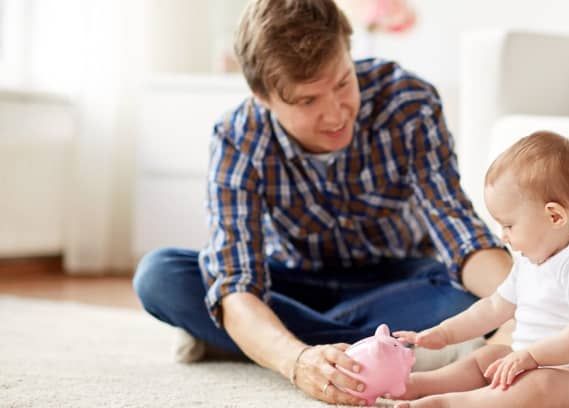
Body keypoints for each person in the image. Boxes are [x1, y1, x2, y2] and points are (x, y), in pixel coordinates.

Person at [132, 0, 513, 406]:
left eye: (343, 83)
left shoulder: (408, 101)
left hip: (396, 282)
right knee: (161, 275)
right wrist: (297, 362)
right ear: (263, 97)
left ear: (349, 53)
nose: (335, 114)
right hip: (290, 283)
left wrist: (523, 300)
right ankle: (381, 352)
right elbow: (237, 279)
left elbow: (456, 229)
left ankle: (245, 340)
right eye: (307, 101)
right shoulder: (238, 137)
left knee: (465, 299)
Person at [393, 131, 569, 408]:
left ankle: (452, 403)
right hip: (530, 362)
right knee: (489, 357)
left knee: (538, 386)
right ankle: (419, 385)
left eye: (508, 225)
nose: (503, 236)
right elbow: (494, 307)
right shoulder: (531, 260)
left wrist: (533, 357)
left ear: (554, 216)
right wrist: (445, 333)